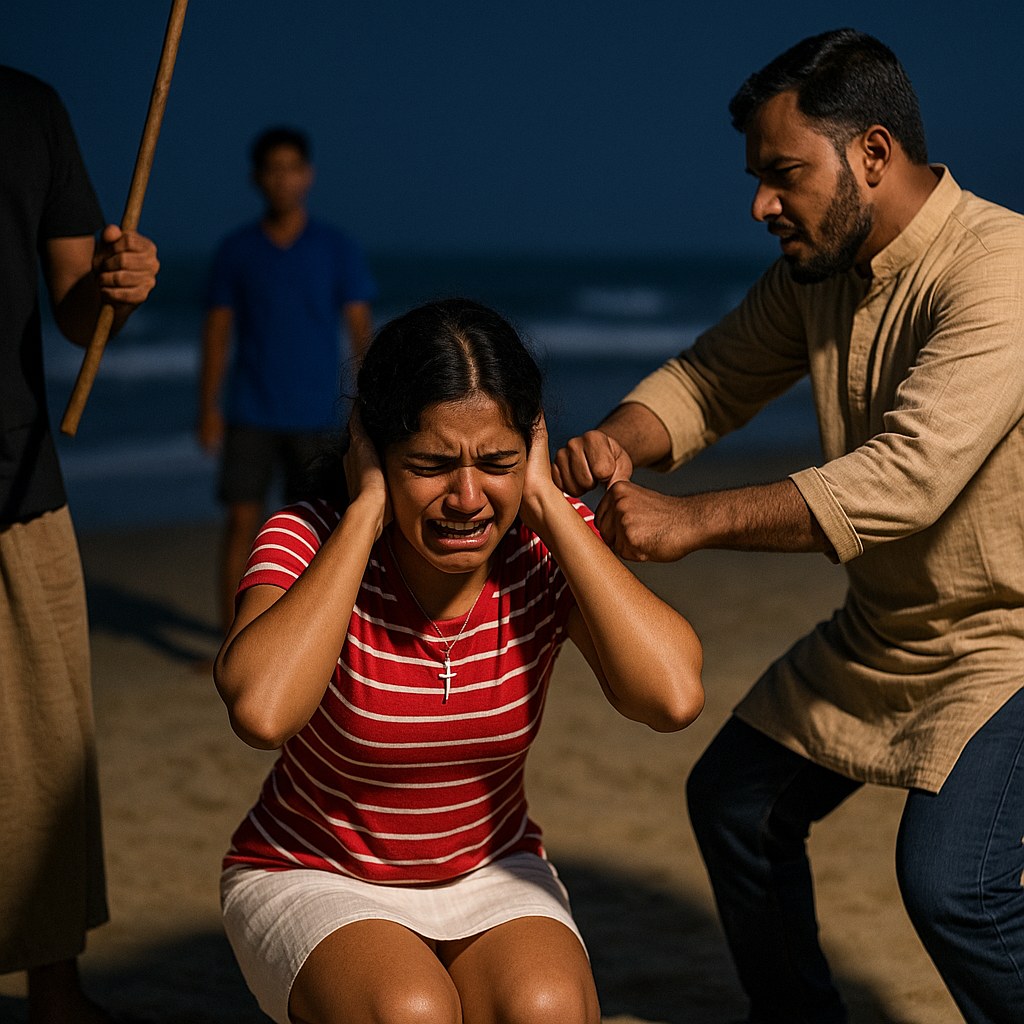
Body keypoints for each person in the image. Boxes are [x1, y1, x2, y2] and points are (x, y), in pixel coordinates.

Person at [553, 28, 1024, 1024]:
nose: (762, 203)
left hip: (1011, 641)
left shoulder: (999, 268)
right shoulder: (819, 270)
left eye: (782, 174)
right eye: (758, 178)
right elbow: (708, 380)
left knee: (955, 888)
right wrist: (613, 441)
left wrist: (691, 523)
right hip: (889, 630)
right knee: (733, 803)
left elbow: (904, 480)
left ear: (872, 155)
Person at [213, 298, 704, 1024]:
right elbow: (261, 711)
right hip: (315, 870)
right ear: (376, 452)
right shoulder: (309, 540)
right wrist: (362, 514)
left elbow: (671, 697)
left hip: (490, 867)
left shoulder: (541, 548)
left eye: (497, 462)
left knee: (549, 1006)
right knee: (412, 1010)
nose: (468, 498)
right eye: (432, 465)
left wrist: (545, 506)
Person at [0, 66, 159, 1023]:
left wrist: (117, 291)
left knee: (47, 757)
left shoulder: (29, 107)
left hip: (15, 478)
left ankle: (55, 988)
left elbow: (74, 302)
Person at [197, 125, 376, 634]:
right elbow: (216, 334)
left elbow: (359, 331)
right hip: (249, 410)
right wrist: (207, 407)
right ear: (257, 179)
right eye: (273, 169)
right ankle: (232, 636)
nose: (283, 179)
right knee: (240, 522)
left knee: (320, 528)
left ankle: (314, 632)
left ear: (308, 176)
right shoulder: (235, 251)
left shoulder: (336, 247)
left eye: (292, 168)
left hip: (317, 412)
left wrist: (372, 403)